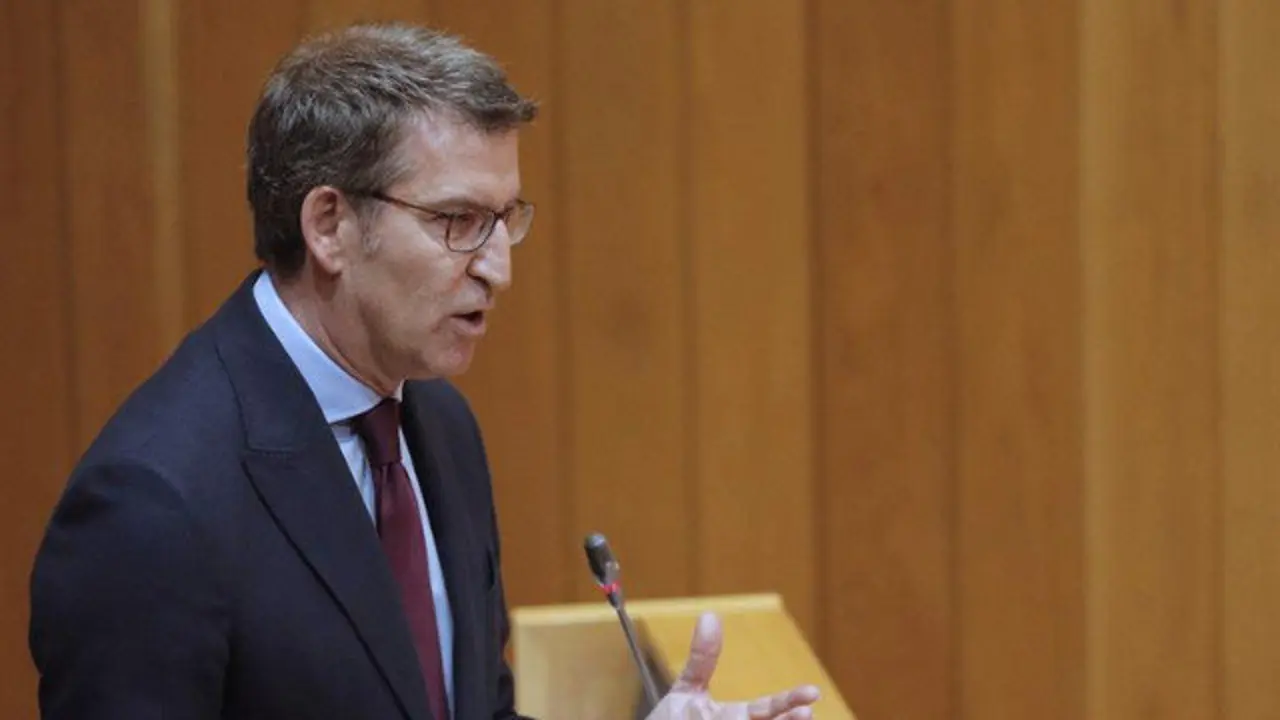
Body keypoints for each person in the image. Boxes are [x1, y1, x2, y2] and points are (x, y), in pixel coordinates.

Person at [27, 22, 821, 720]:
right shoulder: (154, 501)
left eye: (506, 220)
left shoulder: (436, 425)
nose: (498, 271)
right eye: (459, 222)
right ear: (330, 225)